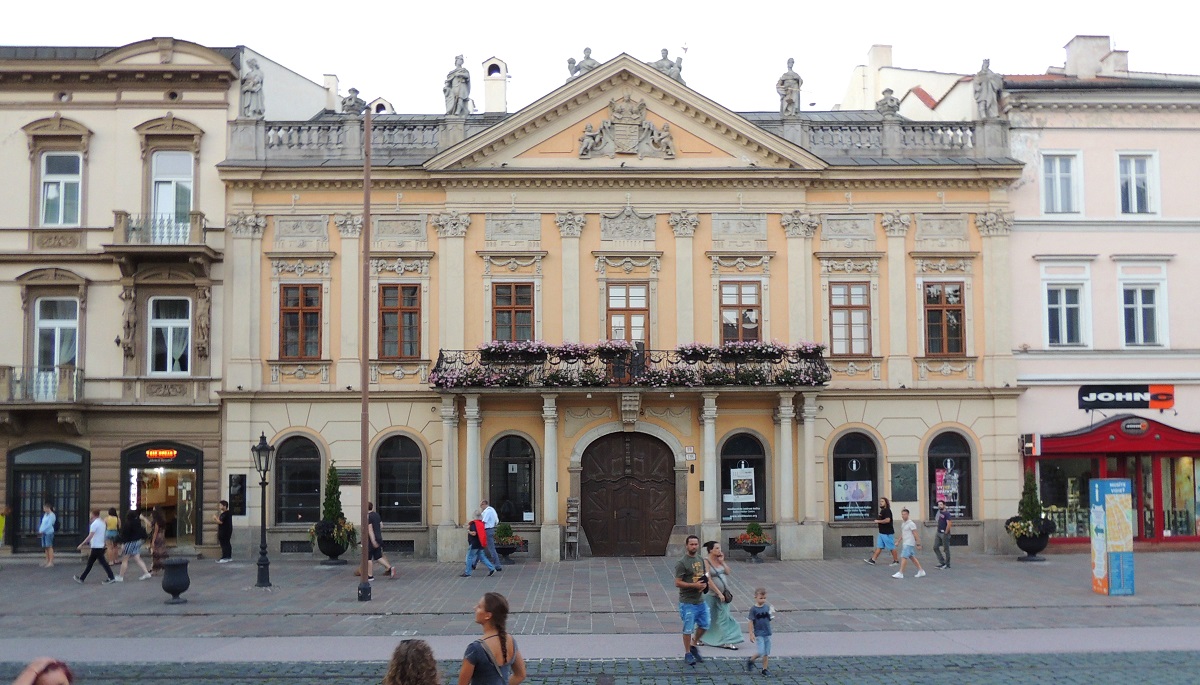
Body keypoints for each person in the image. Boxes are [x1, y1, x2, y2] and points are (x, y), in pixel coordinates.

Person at [457, 592, 526, 685]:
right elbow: (520, 675)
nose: (475, 608)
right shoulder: (510, 640)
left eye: (479, 607)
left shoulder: (475, 648)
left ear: (488, 615)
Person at [699, 541, 744, 651]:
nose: (719, 550)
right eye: (717, 548)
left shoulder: (718, 560)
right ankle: (698, 637)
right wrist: (718, 592)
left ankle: (727, 641)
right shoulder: (706, 561)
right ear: (711, 550)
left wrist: (722, 562)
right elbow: (708, 579)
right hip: (711, 594)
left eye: (719, 548)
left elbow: (728, 572)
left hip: (724, 595)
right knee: (707, 617)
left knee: (725, 617)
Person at [673, 534, 709, 666]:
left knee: (705, 624)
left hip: (700, 600)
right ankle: (688, 652)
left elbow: (704, 576)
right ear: (686, 546)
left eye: (696, 544)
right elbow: (677, 583)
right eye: (691, 544)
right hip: (687, 601)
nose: (694, 546)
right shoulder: (682, 563)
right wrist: (694, 585)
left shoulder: (700, 559)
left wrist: (704, 585)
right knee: (688, 628)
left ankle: (694, 644)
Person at [74, 508, 116, 584]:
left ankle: (111, 577)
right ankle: (82, 578)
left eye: (91, 514)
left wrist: (82, 544)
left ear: (93, 515)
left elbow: (90, 536)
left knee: (101, 563)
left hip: (96, 546)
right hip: (99, 545)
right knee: (92, 563)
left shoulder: (94, 524)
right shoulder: (102, 522)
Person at [744, 587, 773, 676]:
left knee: (766, 652)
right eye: (761, 598)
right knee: (761, 651)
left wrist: (771, 616)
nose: (763, 600)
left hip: (767, 632)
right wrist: (751, 633)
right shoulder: (754, 609)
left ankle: (764, 669)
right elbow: (750, 621)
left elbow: (768, 618)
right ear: (755, 597)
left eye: (764, 598)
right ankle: (751, 660)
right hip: (759, 633)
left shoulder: (767, 607)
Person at [116, 511, 152, 581]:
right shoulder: (138, 523)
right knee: (137, 558)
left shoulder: (128, 524)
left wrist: (123, 544)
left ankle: (121, 576)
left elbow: (125, 535)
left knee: (125, 559)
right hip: (138, 542)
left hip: (130, 542)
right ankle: (146, 573)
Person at [864, 497, 900, 566]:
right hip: (882, 532)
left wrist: (878, 521)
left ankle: (896, 561)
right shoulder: (882, 510)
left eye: (882, 501)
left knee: (891, 547)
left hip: (887, 532)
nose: (881, 503)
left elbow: (887, 520)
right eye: (880, 501)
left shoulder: (886, 510)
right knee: (879, 546)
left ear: (886, 503)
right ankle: (873, 560)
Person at [893, 508, 927, 579]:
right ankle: (921, 571)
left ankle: (900, 573)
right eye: (902, 514)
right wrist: (898, 541)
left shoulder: (911, 524)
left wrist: (918, 544)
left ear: (908, 515)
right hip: (905, 542)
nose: (903, 516)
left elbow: (915, 534)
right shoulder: (903, 524)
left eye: (904, 514)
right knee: (912, 557)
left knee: (904, 557)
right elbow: (903, 534)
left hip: (909, 543)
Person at [367, 501, 397, 580]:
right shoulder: (377, 515)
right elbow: (381, 525)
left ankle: (370, 576)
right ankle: (390, 568)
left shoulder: (368, 517)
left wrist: (373, 541)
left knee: (368, 558)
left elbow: (370, 530)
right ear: (372, 507)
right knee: (378, 556)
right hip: (379, 537)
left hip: (371, 540)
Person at [462, 511, 496, 577]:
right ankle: (491, 568)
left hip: (474, 543)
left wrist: (468, 530)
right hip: (480, 543)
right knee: (482, 557)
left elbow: (474, 533)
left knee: (469, 557)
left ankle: (467, 572)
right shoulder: (481, 523)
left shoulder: (473, 524)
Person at [479, 499, 502, 572]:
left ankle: (497, 565)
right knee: (479, 547)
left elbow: (483, 521)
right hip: (490, 529)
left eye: (481, 505)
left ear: (484, 504)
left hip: (487, 530)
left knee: (491, 548)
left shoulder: (488, 511)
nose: (481, 507)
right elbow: (496, 520)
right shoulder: (492, 510)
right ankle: (473, 563)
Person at [933, 499, 953, 569]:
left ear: (944, 505)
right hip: (938, 532)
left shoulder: (947, 514)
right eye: (938, 505)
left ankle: (947, 564)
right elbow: (936, 519)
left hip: (944, 533)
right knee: (935, 547)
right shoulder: (939, 512)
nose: (939, 506)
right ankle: (942, 562)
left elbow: (949, 523)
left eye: (941, 504)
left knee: (946, 549)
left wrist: (946, 532)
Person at [149, 506, 168, 575]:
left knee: (155, 554)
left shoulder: (156, 522)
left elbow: (155, 532)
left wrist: (153, 542)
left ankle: (155, 569)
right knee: (160, 553)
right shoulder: (162, 520)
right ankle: (155, 567)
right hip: (161, 537)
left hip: (157, 538)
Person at [37, 503, 56, 568]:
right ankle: (47, 560)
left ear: (48, 508)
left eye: (45, 508)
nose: (44, 510)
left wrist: (43, 530)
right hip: (43, 532)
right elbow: (43, 523)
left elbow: (49, 524)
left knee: (49, 546)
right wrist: (40, 529)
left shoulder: (52, 515)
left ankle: (51, 561)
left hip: (48, 532)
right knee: (45, 547)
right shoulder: (45, 515)